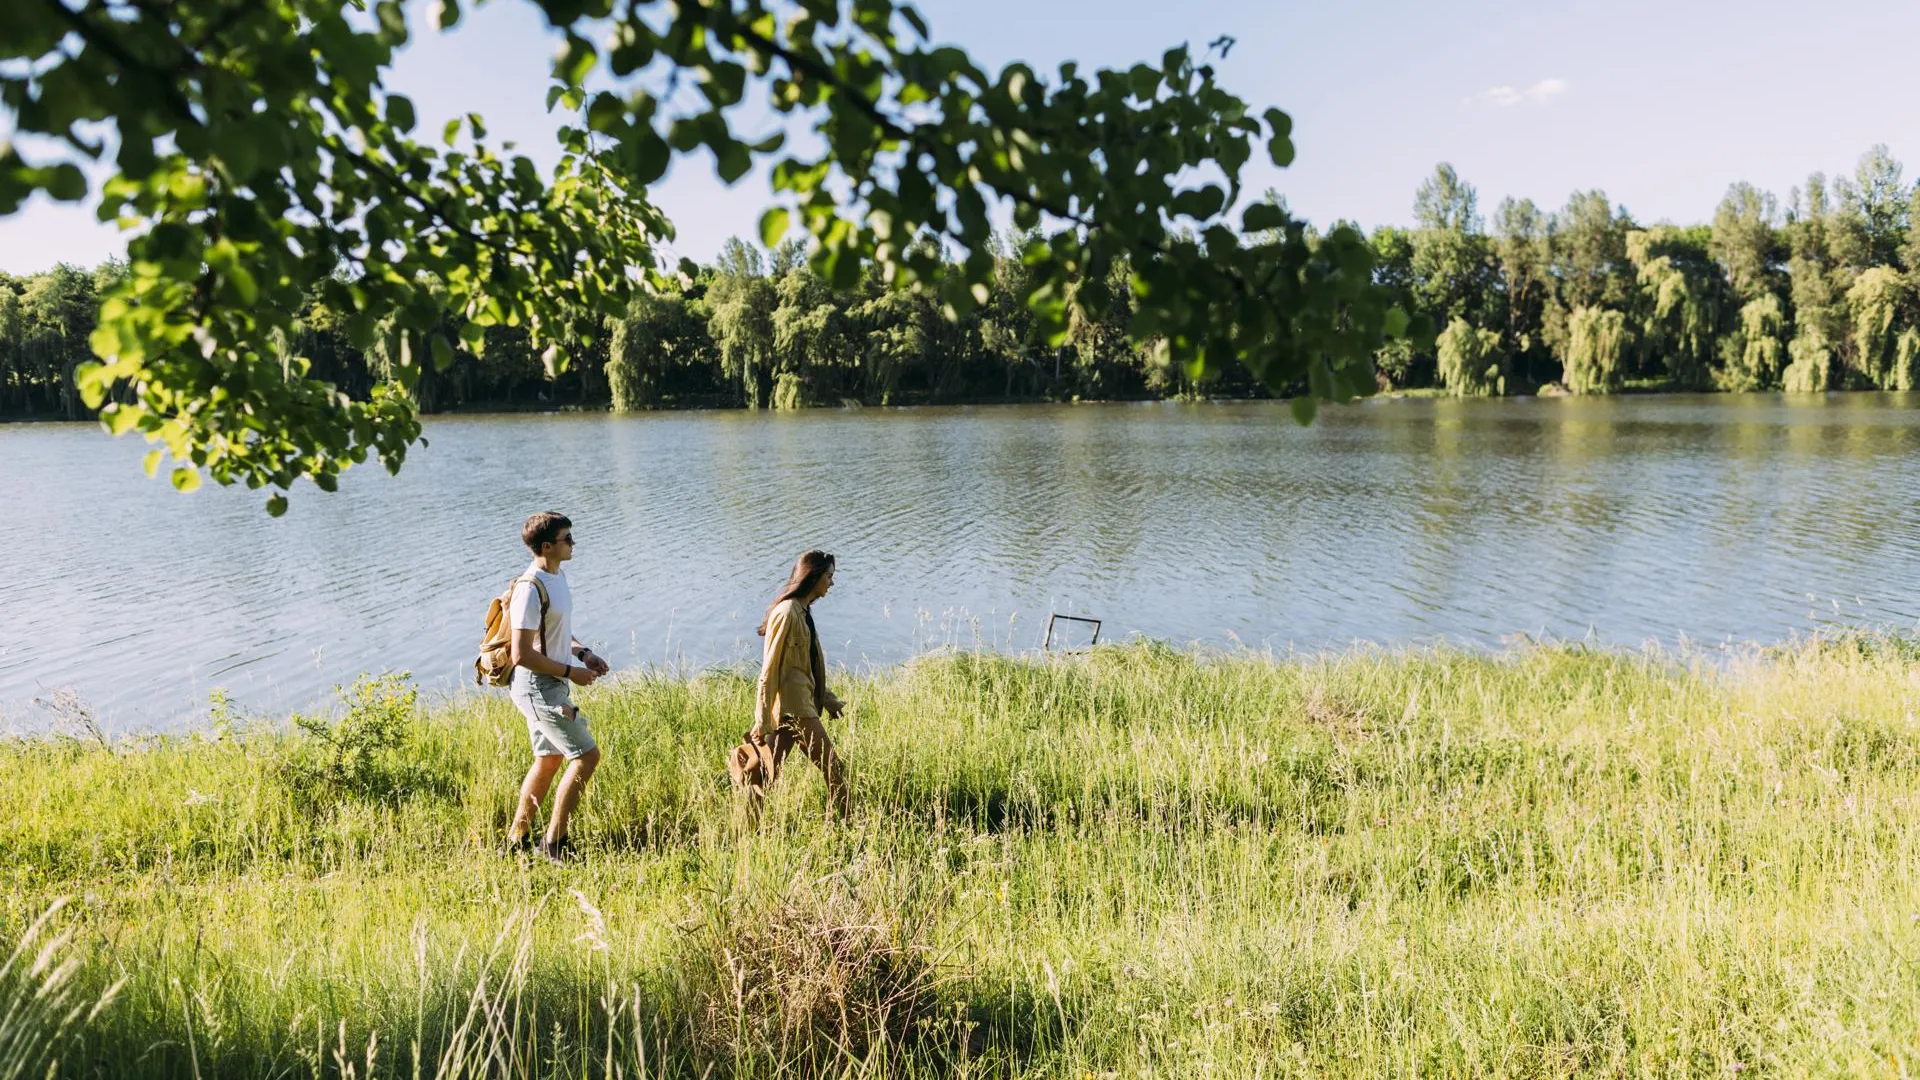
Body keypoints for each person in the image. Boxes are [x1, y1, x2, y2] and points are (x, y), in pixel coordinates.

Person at [505, 511, 609, 862]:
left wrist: (584, 654)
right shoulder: (529, 588)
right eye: (567, 539)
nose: (573, 544)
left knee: (548, 759)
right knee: (586, 756)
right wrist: (570, 672)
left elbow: (556, 632)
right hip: (537, 686)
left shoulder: (557, 576)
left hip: (553, 681)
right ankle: (554, 843)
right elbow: (521, 654)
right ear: (546, 546)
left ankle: (516, 840)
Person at [728, 549, 849, 821]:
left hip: (796, 707)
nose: (832, 583)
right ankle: (848, 824)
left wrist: (828, 700)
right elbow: (769, 670)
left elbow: (803, 667)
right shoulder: (786, 613)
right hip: (796, 711)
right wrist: (761, 719)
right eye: (829, 577)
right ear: (814, 576)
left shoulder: (803, 611)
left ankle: (748, 831)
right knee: (834, 769)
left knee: (768, 776)